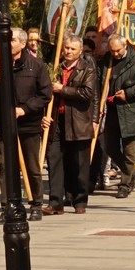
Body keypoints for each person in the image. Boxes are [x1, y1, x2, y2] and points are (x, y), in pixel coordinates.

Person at [44, 36, 99, 214]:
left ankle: (80, 200)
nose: (68, 51)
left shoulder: (87, 69)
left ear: (80, 51)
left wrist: (63, 90)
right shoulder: (55, 68)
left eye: (72, 49)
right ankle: (55, 201)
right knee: (54, 160)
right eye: (66, 48)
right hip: (56, 121)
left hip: (78, 121)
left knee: (79, 163)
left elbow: (87, 93)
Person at [99, 31, 135, 199]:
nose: (115, 53)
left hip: (132, 110)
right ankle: (130, 173)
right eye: (112, 50)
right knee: (110, 147)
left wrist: (129, 93)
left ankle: (124, 184)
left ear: (125, 46)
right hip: (112, 112)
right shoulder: (105, 61)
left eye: (118, 50)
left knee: (130, 150)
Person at [3, 27, 52, 206]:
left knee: (32, 166)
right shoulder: (0, 65)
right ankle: (9, 204)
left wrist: (24, 109)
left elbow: (45, 95)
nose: (8, 44)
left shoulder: (36, 66)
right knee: (7, 168)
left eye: (12, 40)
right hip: (6, 124)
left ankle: (36, 203)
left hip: (29, 124)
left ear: (22, 44)